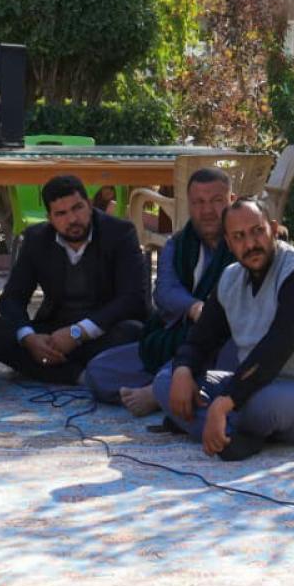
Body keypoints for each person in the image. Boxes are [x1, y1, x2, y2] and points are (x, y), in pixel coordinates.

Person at [154, 197, 294, 460]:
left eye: (257, 231)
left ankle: (220, 427)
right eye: (239, 237)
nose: (250, 244)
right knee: (166, 382)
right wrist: (183, 369)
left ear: (274, 229)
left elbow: (272, 352)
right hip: (261, 385)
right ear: (228, 243)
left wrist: (224, 403)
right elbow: (201, 338)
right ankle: (234, 433)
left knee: (259, 404)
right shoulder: (231, 278)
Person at [82, 167, 238, 412]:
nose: (207, 211)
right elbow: (165, 292)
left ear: (232, 200)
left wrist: (212, 318)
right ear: (188, 205)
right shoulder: (179, 244)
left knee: (232, 355)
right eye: (198, 202)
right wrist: (195, 308)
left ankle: (159, 392)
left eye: (216, 201)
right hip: (180, 337)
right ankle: (174, 387)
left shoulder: (243, 242)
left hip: (223, 341)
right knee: (98, 372)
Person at [0, 174, 148, 385]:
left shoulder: (120, 233)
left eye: (77, 208)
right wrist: (30, 339)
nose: (72, 219)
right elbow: (12, 299)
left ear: (89, 205)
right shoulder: (36, 238)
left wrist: (78, 333)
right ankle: (81, 375)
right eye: (61, 214)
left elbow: (132, 299)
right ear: (50, 218)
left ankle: (58, 371)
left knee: (133, 334)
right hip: (56, 331)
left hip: (105, 329)